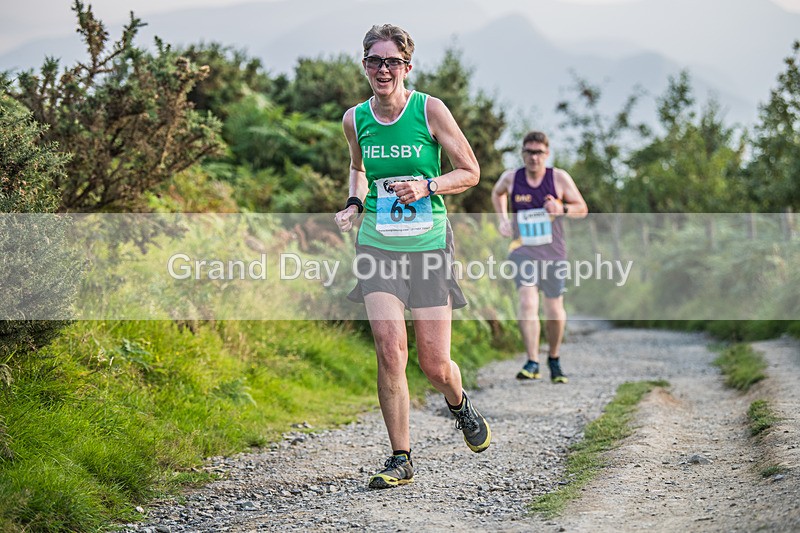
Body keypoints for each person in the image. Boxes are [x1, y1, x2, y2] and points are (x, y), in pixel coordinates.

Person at [334, 24, 491, 490]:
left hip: (427, 245)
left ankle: (459, 403)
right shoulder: (354, 119)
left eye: (392, 62)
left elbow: (471, 171)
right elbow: (358, 168)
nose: (383, 70)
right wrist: (355, 204)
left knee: (434, 364)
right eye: (374, 61)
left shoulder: (429, 110)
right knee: (389, 350)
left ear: (407, 66)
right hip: (378, 244)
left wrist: (427, 185)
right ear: (364, 65)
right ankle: (401, 457)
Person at [491, 131, 588, 383]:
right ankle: (532, 360)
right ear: (522, 153)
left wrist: (562, 208)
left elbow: (582, 209)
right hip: (522, 250)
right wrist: (502, 220)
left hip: (553, 252)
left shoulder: (559, 178)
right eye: (529, 152)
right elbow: (497, 193)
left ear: (547, 154)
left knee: (554, 309)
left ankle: (553, 358)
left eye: (538, 152)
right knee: (527, 302)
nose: (533, 157)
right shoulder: (512, 178)